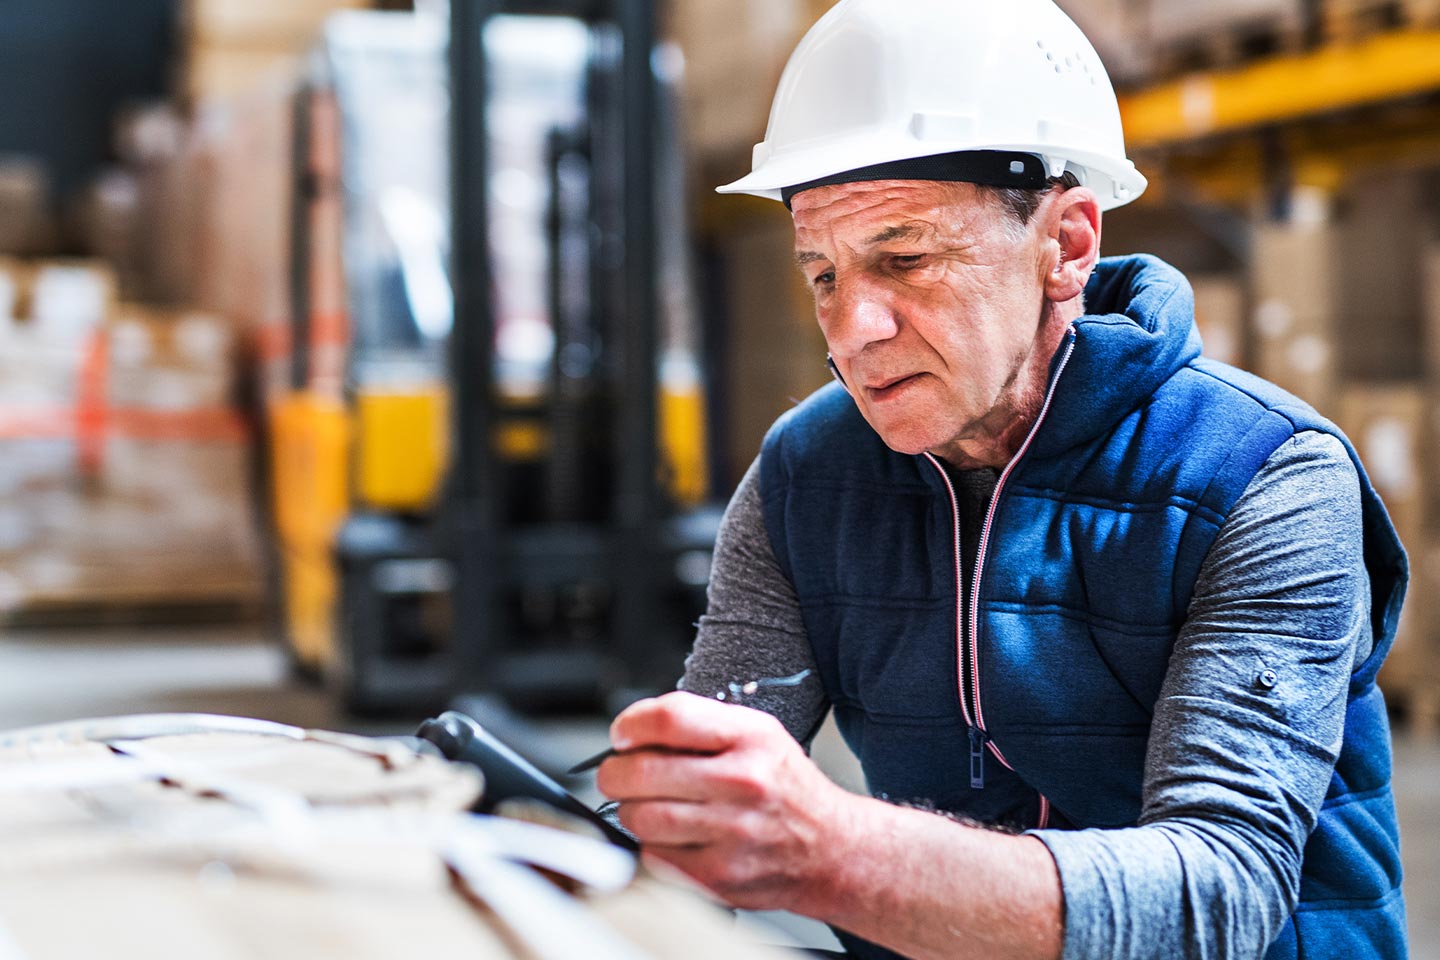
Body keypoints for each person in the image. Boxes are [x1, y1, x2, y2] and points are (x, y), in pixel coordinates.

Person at [595, 1, 1409, 958]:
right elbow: (704, 808)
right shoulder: (804, 479)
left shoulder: (1262, 478)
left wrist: (836, 851)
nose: (851, 329)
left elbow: (1216, 897)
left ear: (1064, 245)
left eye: (904, 258)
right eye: (823, 273)